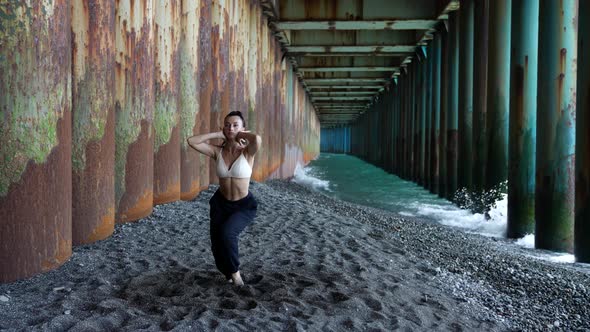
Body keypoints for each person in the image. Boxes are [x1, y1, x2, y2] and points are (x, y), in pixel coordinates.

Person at [187, 111, 261, 286]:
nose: (231, 128)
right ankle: (227, 272)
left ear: (243, 128)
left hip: (243, 205)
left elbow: (257, 139)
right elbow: (192, 141)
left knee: (228, 234)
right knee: (217, 245)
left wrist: (239, 134)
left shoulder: (247, 152)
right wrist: (218, 134)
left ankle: (236, 274)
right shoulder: (217, 151)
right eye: (227, 125)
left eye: (235, 125)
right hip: (220, 203)